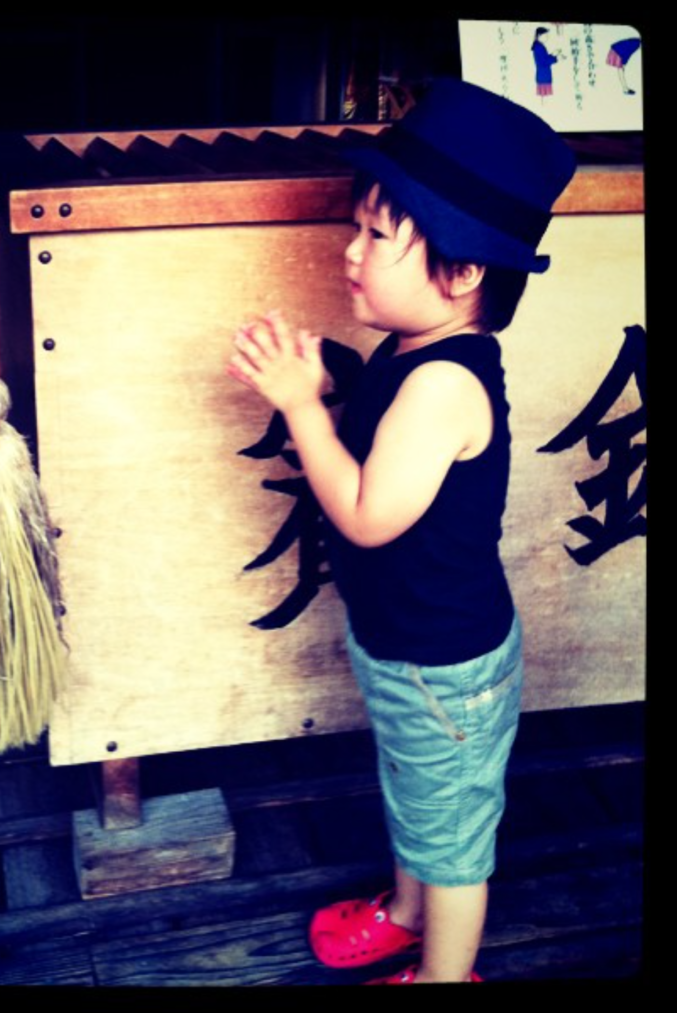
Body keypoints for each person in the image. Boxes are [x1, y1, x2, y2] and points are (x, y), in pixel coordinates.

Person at [226, 79, 576, 984]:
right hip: (411, 648)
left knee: (453, 831)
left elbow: (369, 517)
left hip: (443, 668)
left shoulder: (442, 385)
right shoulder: (416, 351)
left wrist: (303, 407)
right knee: (421, 800)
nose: (352, 252)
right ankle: (408, 910)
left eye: (379, 235)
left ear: (462, 273)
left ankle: (446, 973)